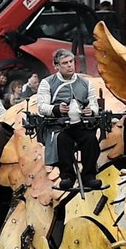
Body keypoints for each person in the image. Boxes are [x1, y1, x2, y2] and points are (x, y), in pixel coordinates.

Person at [35, 49, 102, 190]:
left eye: (71, 62)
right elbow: (41, 107)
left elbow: (94, 104)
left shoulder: (85, 83)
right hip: (59, 126)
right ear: (56, 66)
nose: (70, 65)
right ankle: (67, 177)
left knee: (90, 140)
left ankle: (89, 176)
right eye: (65, 63)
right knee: (62, 140)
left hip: (81, 125)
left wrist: (91, 111)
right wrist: (56, 109)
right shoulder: (47, 83)